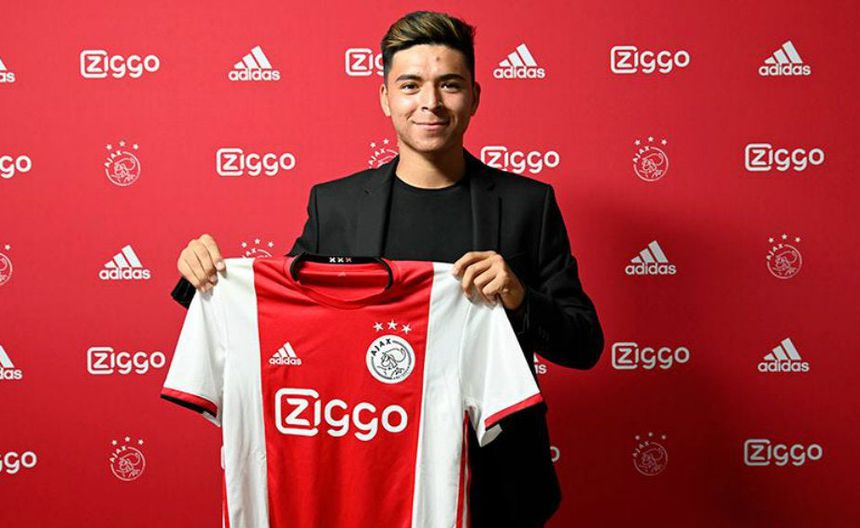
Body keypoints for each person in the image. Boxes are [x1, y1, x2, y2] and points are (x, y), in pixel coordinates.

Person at [170, 10, 603, 528]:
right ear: (385, 98)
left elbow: (585, 343)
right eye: (410, 85)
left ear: (474, 97)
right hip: (375, 476)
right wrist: (203, 279)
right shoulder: (337, 206)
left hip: (499, 483)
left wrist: (518, 295)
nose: (430, 102)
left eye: (449, 85)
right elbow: (281, 316)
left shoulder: (527, 204)